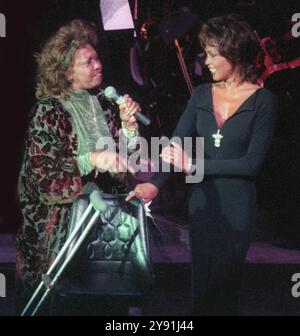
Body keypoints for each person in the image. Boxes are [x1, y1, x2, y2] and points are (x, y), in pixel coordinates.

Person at [127, 14, 278, 315]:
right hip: (202, 206)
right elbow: (175, 145)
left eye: (212, 54)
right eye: (205, 53)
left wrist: (194, 164)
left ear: (233, 53)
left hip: (236, 208)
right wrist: (154, 185)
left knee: (223, 293)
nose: (205, 61)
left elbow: (250, 165)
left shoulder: (264, 101)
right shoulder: (200, 95)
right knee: (200, 295)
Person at [16, 19, 141, 311]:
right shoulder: (49, 110)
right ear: (66, 71)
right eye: (88, 62)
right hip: (61, 232)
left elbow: (123, 162)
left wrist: (128, 129)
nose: (98, 65)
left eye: (97, 58)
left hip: (101, 226)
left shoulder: (105, 104)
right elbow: (41, 174)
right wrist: (92, 160)